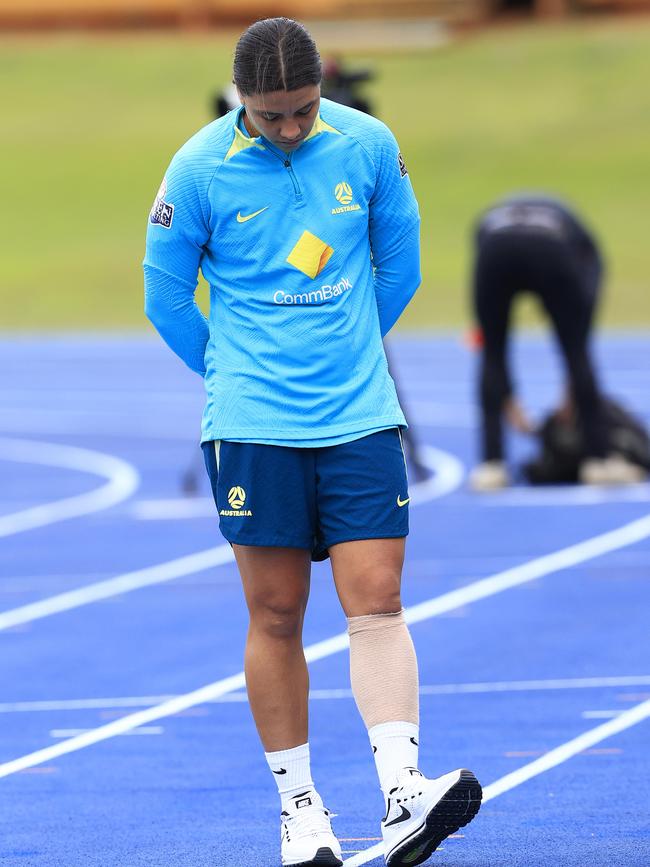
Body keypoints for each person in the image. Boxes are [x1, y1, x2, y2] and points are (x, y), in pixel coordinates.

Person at [144, 17, 482, 867]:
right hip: (254, 428)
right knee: (278, 612)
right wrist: (232, 375)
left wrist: (347, 348)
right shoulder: (197, 169)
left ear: (319, 89)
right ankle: (301, 815)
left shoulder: (368, 145)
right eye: (271, 114)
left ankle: (404, 795)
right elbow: (167, 298)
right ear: (242, 101)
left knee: (377, 600)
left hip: (359, 416)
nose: (289, 127)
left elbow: (398, 263)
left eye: (302, 109)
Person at [468, 192, 643, 491]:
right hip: (550, 250)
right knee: (576, 351)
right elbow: (590, 284)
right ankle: (598, 460)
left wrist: (505, 395)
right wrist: (575, 365)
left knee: (493, 353)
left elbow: (489, 336)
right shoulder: (577, 235)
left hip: (494, 252)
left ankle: (491, 466)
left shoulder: (490, 222)